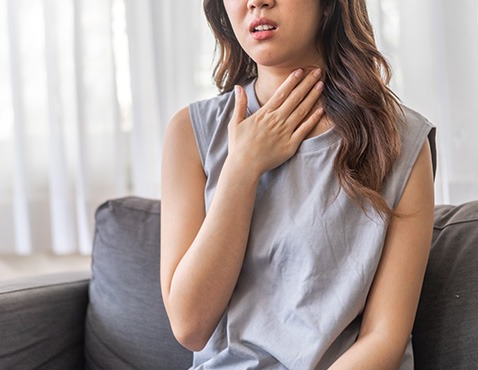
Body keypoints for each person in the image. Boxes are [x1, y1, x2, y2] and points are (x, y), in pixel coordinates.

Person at [160, 0, 436, 368]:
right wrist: (241, 169)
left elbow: (384, 338)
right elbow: (189, 327)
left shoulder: (401, 141)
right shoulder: (190, 134)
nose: (257, 2)